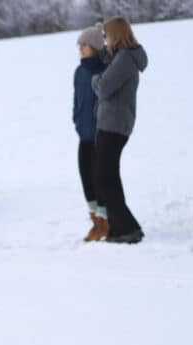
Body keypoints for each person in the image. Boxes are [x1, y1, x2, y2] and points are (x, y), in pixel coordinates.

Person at [93, 17, 148, 244]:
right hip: (113, 125)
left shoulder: (125, 59)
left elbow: (105, 88)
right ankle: (118, 229)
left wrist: (96, 79)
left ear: (115, 35)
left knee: (104, 178)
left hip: (113, 126)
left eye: (105, 35)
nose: (103, 40)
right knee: (108, 178)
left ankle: (129, 228)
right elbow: (108, 61)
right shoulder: (122, 57)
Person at [74, 25, 109, 242]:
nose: (80, 48)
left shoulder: (104, 69)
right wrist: (76, 120)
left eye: (84, 45)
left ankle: (105, 222)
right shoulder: (79, 71)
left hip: (100, 134)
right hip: (83, 134)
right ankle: (95, 221)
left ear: (95, 46)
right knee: (86, 178)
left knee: (99, 179)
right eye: (79, 45)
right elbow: (77, 100)